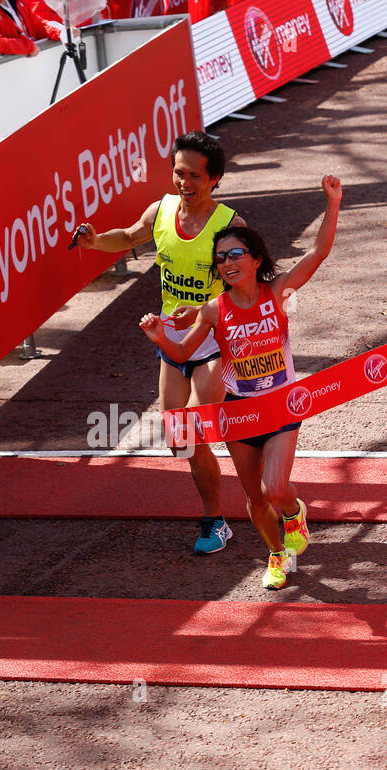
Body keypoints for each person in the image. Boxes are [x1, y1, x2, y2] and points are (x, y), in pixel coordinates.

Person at [140, 175, 342, 588]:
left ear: (255, 259)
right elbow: (182, 354)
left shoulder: (278, 290)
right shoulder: (213, 310)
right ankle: (276, 555)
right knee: (253, 499)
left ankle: (293, 512)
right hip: (241, 413)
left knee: (274, 488)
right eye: (220, 259)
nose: (227, 263)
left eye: (236, 254)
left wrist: (333, 202)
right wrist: (161, 337)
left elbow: (319, 252)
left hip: (282, 407)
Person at [75, 131, 245, 555]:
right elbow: (131, 236)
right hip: (171, 345)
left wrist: (206, 310)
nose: (183, 183)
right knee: (182, 440)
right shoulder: (162, 211)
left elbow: (247, 292)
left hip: (212, 343)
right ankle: (223, 512)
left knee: (194, 431)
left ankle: (218, 518)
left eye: (194, 176)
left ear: (216, 179)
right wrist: (96, 242)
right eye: (178, 172)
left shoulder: (230, 227)